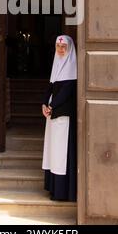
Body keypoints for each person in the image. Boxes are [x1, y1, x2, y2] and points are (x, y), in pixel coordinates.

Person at [42, 35, 77, 201]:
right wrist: (44, 104)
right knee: (52, 152)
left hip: (63, 116)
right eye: (58, 46)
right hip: (52, 115)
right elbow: (50, 87)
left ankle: (61, 191)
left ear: (69, 49)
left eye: (63, 47)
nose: (61, 50)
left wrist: (52, 106)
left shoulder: (72, 67)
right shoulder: (56, 65)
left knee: (61, 154)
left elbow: (65, 93)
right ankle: (52, 187)